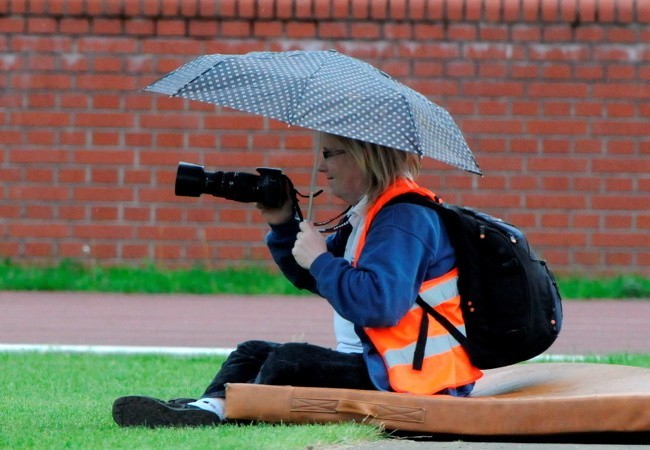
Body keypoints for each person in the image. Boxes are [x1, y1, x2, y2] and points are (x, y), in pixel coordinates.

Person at [112, 132, 482, 428]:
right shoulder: (371, 214)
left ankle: (225, 413)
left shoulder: (404, 219)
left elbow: (378, 304)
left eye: (332, 153)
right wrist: (283, 221)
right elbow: (313, 276)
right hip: (379, 364)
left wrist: (321, 259)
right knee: (253, 351)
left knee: (290, 360)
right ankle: (209, 407)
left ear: (367, 156)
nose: (322, 166)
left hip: (412, 378)